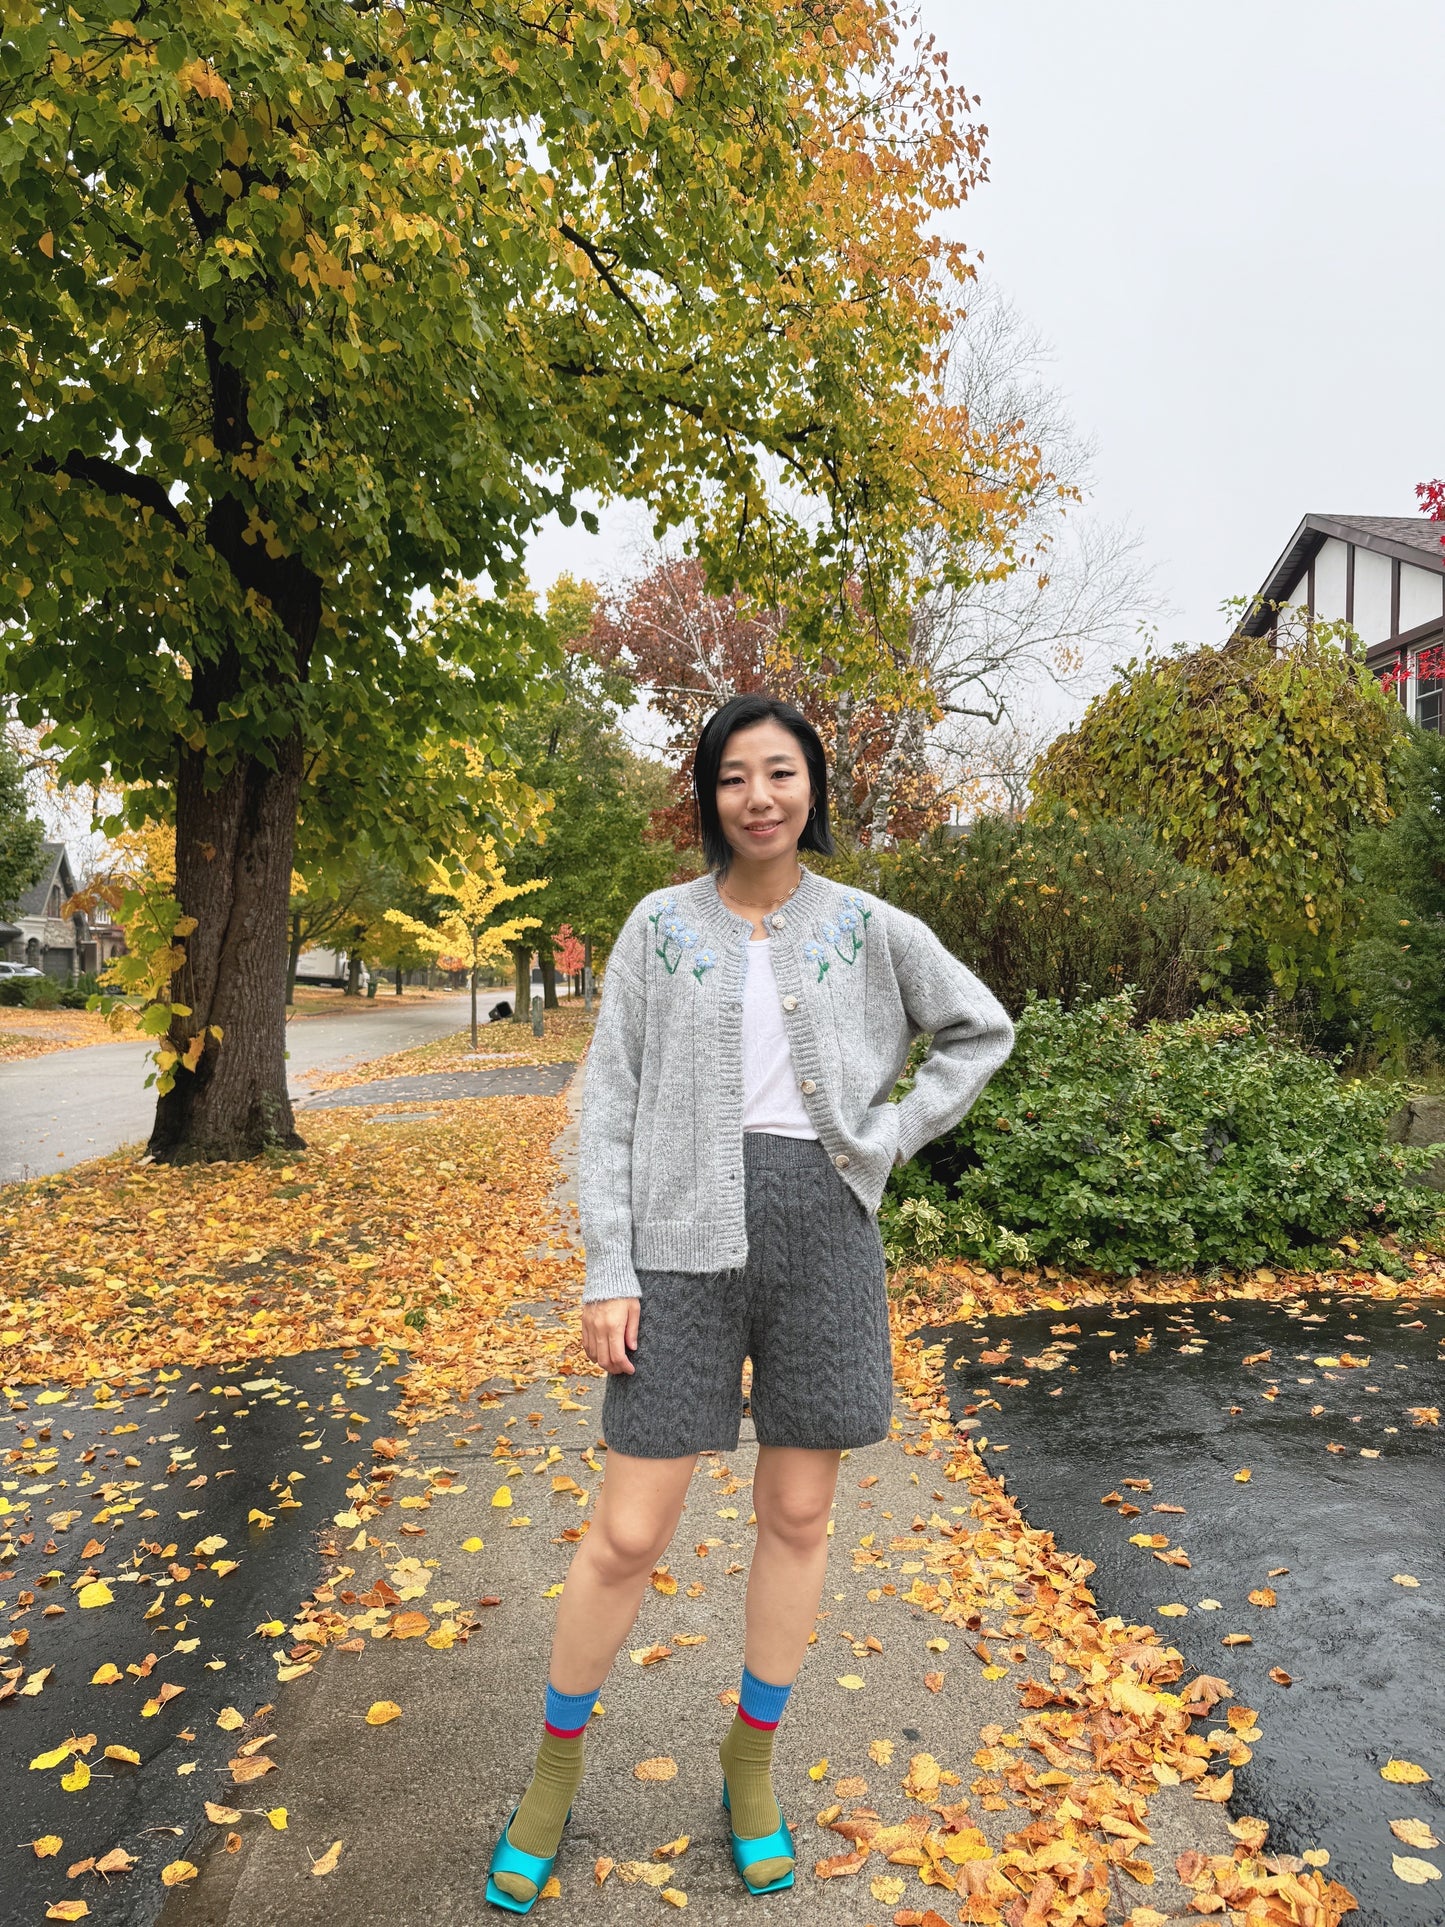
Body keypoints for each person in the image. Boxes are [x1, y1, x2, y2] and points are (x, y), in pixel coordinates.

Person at [485, 693, 1015, 1911]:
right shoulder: (658, 928)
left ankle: (751, 1761)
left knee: (795, 1514)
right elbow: (607, 1098)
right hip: (675, 1247)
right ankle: (554, 1774)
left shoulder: (870, 926)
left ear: (811, 789)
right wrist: (605, 1265)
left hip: (823, 1241)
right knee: (625, 1531)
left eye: (780, 773)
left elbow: (975, 1029)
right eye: (734, 776)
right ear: (709, 794)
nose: (759, 796)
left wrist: (882, 1136)